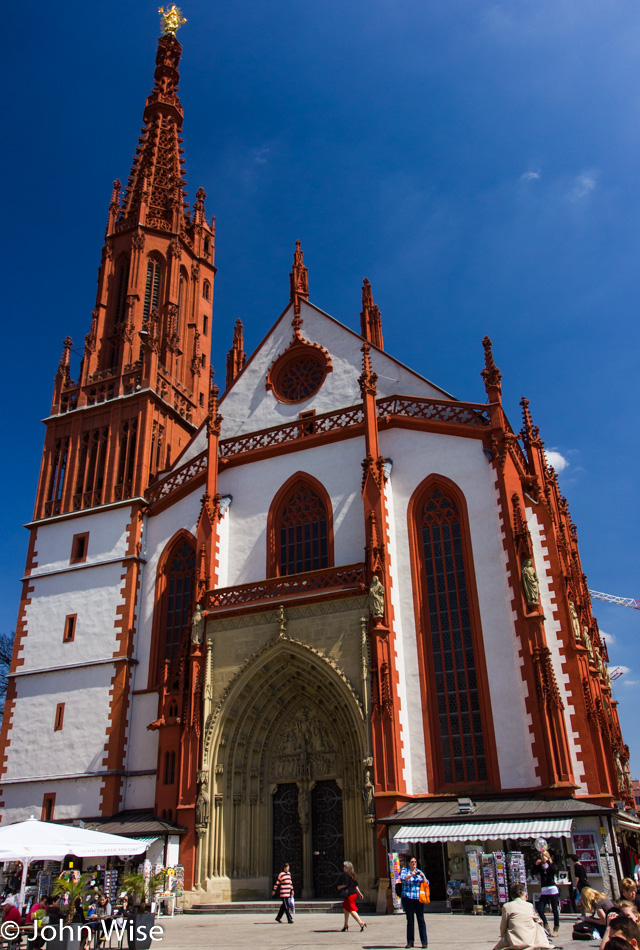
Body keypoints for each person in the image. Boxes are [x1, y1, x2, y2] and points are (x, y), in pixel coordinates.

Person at [493, 883, 554, 950]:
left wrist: (503, 938)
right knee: (537, 925)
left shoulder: (507, 906)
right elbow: (538, 921)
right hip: (530, 940)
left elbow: (503, 926)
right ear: (523, 895)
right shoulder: (529, 905)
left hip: (514, 941)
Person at [399, 855, 428, 949]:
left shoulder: (419, 871)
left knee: (421, 919)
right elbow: (403, 879)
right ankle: (410, 942)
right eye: (412, 862)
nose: (414, 863)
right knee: (410, 920)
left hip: (418, 898)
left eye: (415, 862)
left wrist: (423, 877)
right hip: (408, 898)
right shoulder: (405, 871)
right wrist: (411, 875)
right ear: (408, 864)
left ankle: (424, 942)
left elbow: (427, 883)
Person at [534, 849, 560, 938]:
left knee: (554, 909)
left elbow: (555, 870)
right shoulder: (541, 866)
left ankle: (556, 928)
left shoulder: (551, 865)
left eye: (544, 856)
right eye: (542, 856)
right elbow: (533, 872)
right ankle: (546, 924)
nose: (543, 858)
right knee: (540, 909)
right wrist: (536, 865)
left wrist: (548, 862)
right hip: (544, 890)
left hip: (552, 889)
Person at [337, 861, 366, 933]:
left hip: (349, 894)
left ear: (347, 868)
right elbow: (356, 885)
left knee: (351, 909)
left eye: (344, 867)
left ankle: (361, 923)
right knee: (345, 908)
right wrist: (359, 893)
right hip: (353, 894)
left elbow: (345, 884)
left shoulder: (346, 875)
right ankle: (345, 925)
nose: (343, 868)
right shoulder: (352, 875)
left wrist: (340, 887)